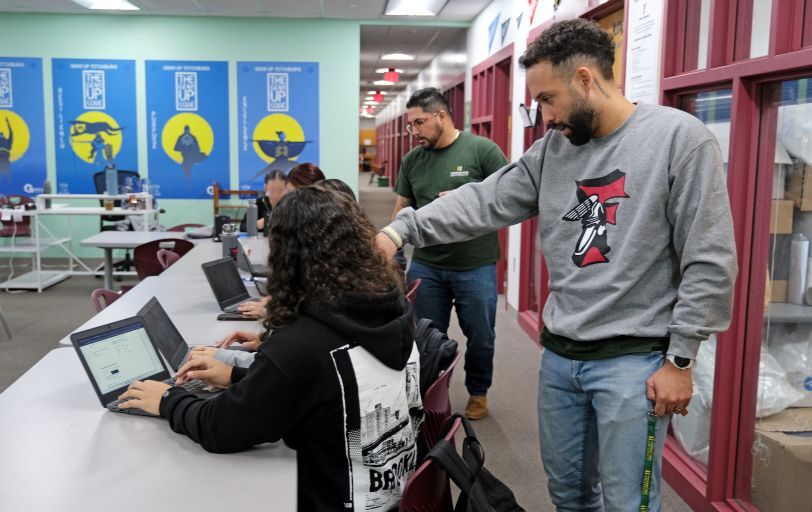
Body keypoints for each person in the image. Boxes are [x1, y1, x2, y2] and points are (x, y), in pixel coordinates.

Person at [376, 19, 737, 511]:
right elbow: (484, 200)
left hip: (636, 361)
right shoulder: (553, 151)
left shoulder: (680, 141)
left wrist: (680, 359)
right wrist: (401, 229)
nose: (542, 115)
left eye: (547, 99)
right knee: (568, 495)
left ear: (586, 80)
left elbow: (710, 258)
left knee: (628, 502)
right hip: (561, 359)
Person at [119, 186, 423, 511]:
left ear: (286, 255)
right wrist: (238, 376)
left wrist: (168, 400)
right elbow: (324, 388)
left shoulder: (302, 343)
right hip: (395, 493)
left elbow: (221, 428)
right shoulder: (392, 305)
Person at [389, 87, 508, 420]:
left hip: (475, 264)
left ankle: (478, 392)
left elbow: (506, 200)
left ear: (442, 115)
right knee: (425, 335)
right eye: (411, 125)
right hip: (427, 263)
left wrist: (463, 200)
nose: (414, 132)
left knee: (481, 335)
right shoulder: (412, 160)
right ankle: (430, 394)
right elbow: (402, 207)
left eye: (420, 123)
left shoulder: (482, 151)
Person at [240, 169, 287, 233]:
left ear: (286, 189)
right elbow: (243, 227)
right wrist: (257, 225)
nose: (276, 195)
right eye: (272, 190)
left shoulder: (291, 204)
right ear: (265, 188)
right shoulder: (258, 204)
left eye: (280, 190)